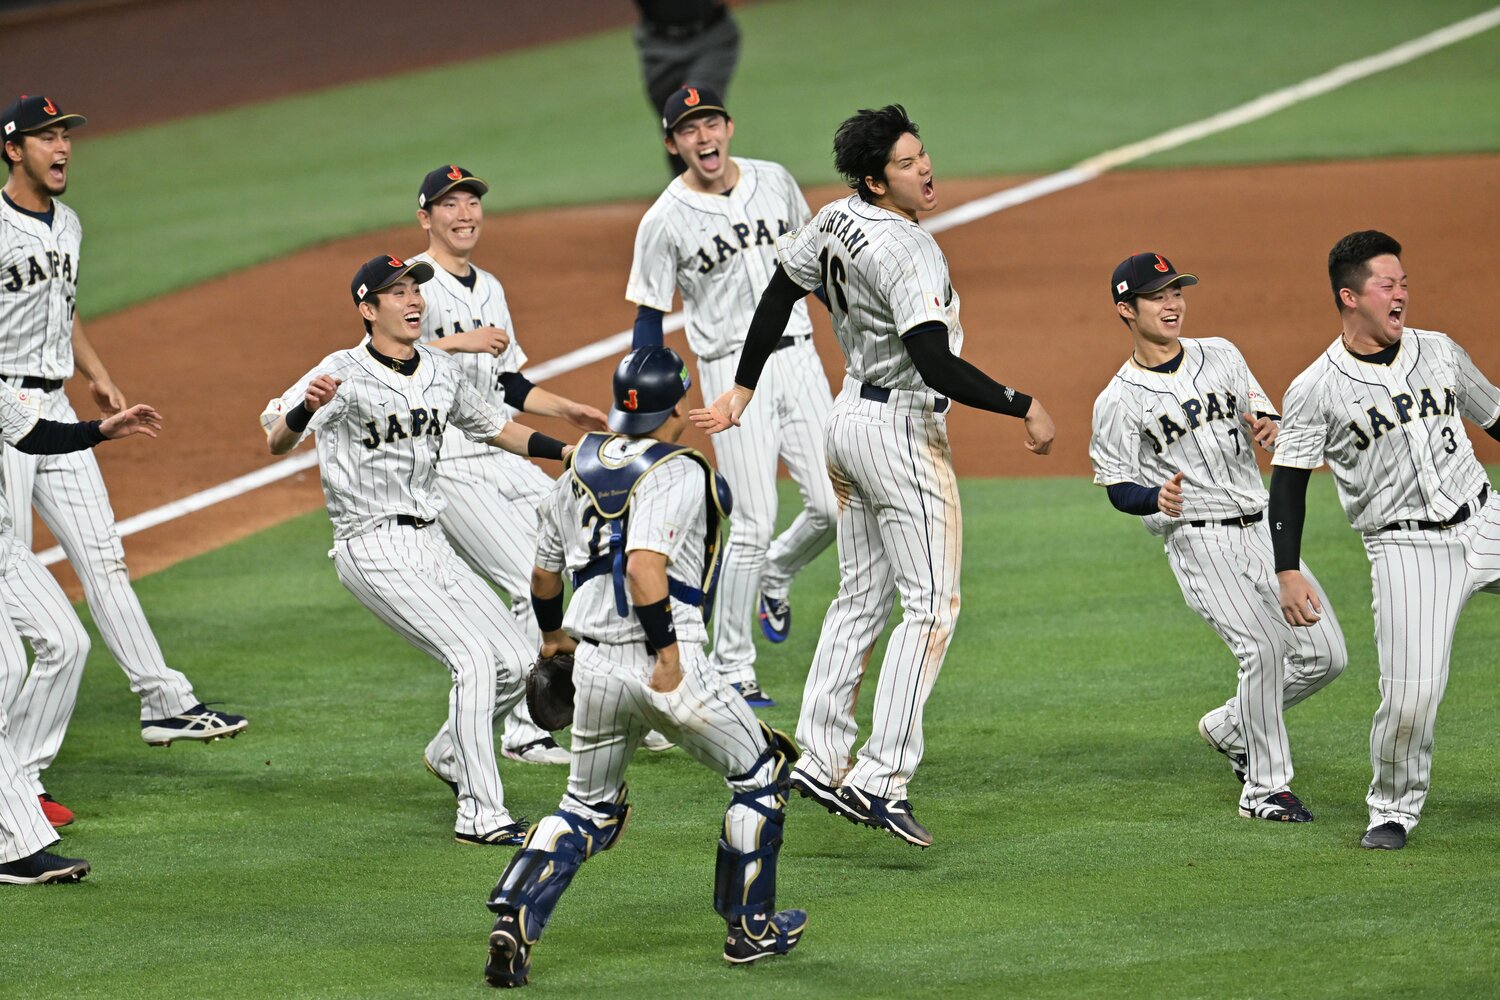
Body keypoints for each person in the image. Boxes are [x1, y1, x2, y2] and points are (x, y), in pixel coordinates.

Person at [693, 104, 1055, 848]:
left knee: (860, 597)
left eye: (923, 155)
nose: (924, 170)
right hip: (899, 435)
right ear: (873, 180)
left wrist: (743, 386)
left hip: (845, 421)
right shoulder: (909, 251)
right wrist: (1022, 404)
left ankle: (821, 754)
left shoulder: (832, 219)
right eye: (906, 163)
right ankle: (880, 777)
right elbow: (932, 360)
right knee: (931, 607)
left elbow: (777, 292)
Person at [483, 347, 806, 988]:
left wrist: (553, 641)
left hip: (594, 664)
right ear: (676, 404)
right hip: (667, 663)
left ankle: (516, 914)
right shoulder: (679, 471)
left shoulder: (577, 464)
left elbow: (545, 574)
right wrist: (666, 657)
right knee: (760, 776)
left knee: (585, 806)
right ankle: (751, 930)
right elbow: (643, 567)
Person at [261, 254, 574, 846]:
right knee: (473, 661)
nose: (413, 301)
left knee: (516, 658)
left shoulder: (437, 368)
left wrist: (567, 452)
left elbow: (496, 427)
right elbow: (276, 437)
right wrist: (306, 406)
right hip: (371, 544)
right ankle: (480, 815)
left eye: (415, 290)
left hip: (430, 539)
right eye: (396, 292)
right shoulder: (339, 372)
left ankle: (450, 755)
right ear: (366, 307)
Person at [0, 94, 247, 755]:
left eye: (65, 136)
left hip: (55, 405)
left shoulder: (70, 223)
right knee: (7, 573)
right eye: (46, 137)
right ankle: (13, 772)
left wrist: (95, 371)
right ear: (12, 149)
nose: (62, 148)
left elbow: (64, 306)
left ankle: (164, 701)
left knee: (104, 556)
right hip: (5, 415)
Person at [1089, 252, 1347, 822]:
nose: (1172, 303)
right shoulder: (1118, 401)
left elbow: (1264, 413)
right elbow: (1115, 483)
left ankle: (1231, 728)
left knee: (1326, 656)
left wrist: (1270, 425)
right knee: (1263, 648)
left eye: (1176, 291)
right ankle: (1264, 790)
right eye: (1157, 296)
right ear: (1126, 310)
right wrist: (1152, 498)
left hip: (1265, 533)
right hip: (1202, 542)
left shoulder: (1222, 354)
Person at [1270, 230, 1500, 851]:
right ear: (1350, 296)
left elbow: (1497, 415)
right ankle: (1392, 809)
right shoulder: (1316, 387)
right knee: (1411, 702)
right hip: (1406, 551)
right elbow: (1288, 485)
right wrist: (1286, 570)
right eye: (1387, 284)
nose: (1402, 293)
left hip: (1485, 519)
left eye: (1404, 282)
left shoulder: (1439, 351)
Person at [627, 85, 836, 708]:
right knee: (750, 518)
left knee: (833, 505)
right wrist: (650, 392)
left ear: (729, 126)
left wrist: (846, 327)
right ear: (673, 144)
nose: (703, 136)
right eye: (689, 130)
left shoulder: (775, 181)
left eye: (710, 122)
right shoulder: (663, 220)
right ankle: (734, 667)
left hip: (799, 358)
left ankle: (778, 572)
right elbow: (649, 312)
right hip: (724, 375)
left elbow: (815, 268)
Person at [411, 163, 610, 766]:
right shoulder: (412, 282)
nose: (465, 213)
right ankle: (525, 730)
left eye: (471, 202)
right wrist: (454, 343)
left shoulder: (489, 286)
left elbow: (507, 383)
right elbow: (386, 357)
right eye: (450, 205)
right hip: (447, 462)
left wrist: (564, 408)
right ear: (427, 218)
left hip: (499, 448)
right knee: (530, 582)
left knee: (575, 551)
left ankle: (601, 696)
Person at [0, 383, 163, 883]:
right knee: (6, 671)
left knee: (67, 642)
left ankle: (19, 778)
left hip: (4, 549)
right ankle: (15, 844)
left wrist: (100, 431)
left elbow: (32, 434)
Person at [631, 1, 741, 175]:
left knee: (694, 109)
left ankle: (715, 188)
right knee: (672, 121)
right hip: (657, 42)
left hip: (711, 36)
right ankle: (687, 187)